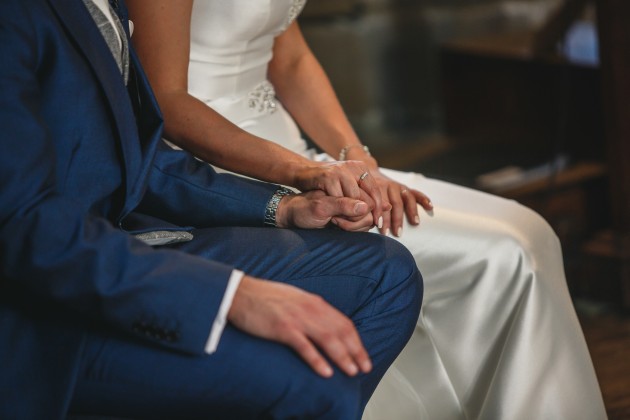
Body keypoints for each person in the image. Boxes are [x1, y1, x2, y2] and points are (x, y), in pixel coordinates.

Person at [124, 1, 608, 419]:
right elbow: (167, 101)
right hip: (222, 172)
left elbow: (289, 59)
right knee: (507, 254)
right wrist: (304, 174)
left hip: (301, 154)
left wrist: (355, 158)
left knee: (532, 230)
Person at [0, 0, 424, 419]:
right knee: (311, 385)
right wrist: (227, 295)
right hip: (40, 308)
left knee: (387, 271)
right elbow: (24, 225)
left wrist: (285, 206)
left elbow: (141, 161)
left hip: (121, 238)